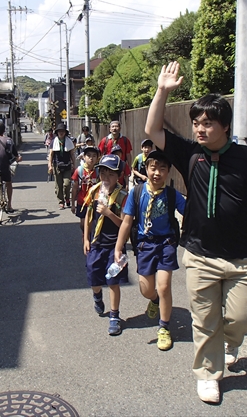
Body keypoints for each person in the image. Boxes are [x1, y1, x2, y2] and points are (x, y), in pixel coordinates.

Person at [145, 61, 247, 403]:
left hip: (242, 257)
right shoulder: (190, 154)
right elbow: (152, 129)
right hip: (199, 255)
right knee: (205, 320)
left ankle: (228, 344)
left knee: (240, 316)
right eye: (196, 123)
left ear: (224, 126)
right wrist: (162, 90)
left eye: (207, 123)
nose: (200, 129)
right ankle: (208, 374)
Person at [115, 150, 186, 351]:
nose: (157, 173)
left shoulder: (172, 195)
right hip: (145, 245)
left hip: (166, 244)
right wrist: (118, 248)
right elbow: (127, 222)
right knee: (146, 289)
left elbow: (189, 211)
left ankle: (164, 327)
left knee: (163, 287)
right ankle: (154, 300)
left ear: (168, 172)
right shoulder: (137, 193)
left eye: (162, 169)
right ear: (146, 169)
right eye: (153, 168)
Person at [82, 154, 129, 336]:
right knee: (94, 277)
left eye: (110, 174)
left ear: (118, 176)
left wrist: (109, 213)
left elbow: (124, 224)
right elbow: (88, 216)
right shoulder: (95, 191)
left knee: (113, 281)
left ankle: (115, 316)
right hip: (96, 243)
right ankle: (97, 296)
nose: (106, 178)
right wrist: (86, 238)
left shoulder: (123, 196)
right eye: (103, 173)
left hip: (115, 246)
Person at [71, 146, 100, 232]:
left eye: (94, 156)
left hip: (95, 201)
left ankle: (91, 242)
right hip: (82, 202)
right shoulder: (79, 170)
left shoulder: (99, 171)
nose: (91, 158)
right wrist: (73, 204)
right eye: (89, 155)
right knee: (83, 224)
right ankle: (85, 238)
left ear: (98, 158)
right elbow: (75, 188)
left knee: (95, 224)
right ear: (84, 157)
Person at [48, 123, 76, 209]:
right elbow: (51, 154)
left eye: (63, 131)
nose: (61, 133)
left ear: (65, 132)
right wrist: (50, 165)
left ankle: (67, 198)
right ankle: (61, 201)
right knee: (59, 185)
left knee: (67, 184)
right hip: (57, 165)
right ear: (57, 132)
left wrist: (74, 165)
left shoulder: (69, 141)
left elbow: (72, 154)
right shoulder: (54, 141)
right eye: (59, 131)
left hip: (67, 165)